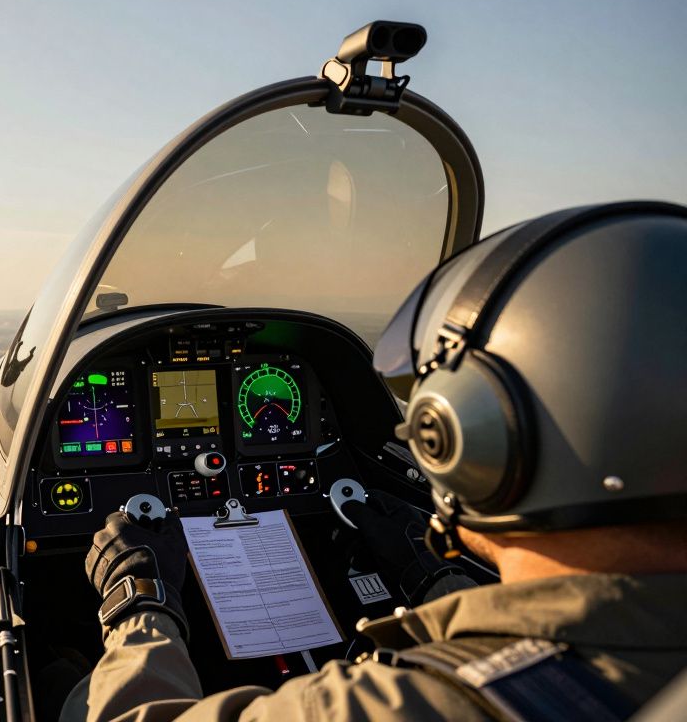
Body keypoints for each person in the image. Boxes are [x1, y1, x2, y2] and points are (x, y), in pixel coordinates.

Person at [65, 202, 687, 721]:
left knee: (66, 686)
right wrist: (431, 574)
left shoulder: (387, 705)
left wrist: (139, 597)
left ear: (479, 449)